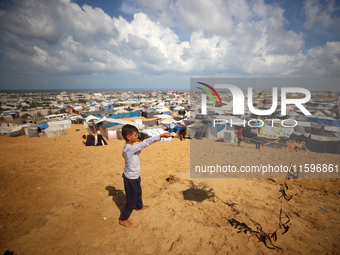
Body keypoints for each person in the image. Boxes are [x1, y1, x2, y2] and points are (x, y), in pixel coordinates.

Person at [119, 124, 171, 228]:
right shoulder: (129, 148)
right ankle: (123, 219)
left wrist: (137, 152)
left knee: (138, 193)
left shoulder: (130, 148)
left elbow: (129, 156)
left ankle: (139, 207)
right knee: (131, 200)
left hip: (135, 176)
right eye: (135, 135)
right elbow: (146, 142)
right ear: (128, 137)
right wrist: (160, 136)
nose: (137, 136)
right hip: (130, 179)